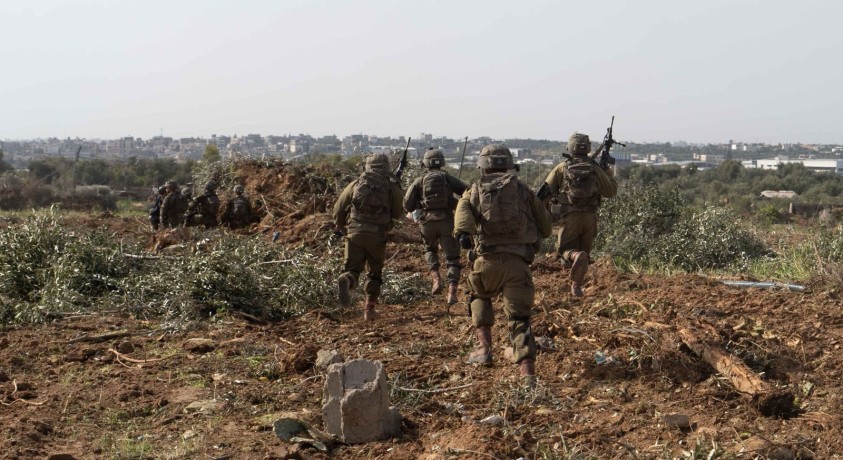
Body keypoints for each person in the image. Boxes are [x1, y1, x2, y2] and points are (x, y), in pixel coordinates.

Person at [454, 144, 552, 383]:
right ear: (510, 165)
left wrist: (465, 234)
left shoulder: (475, 190)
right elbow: (547, 228)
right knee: (519, 318)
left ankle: (483, 349)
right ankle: (527, 373)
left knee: (479, 295)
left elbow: (462, 213)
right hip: (518, 265)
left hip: (487, 262)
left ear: (482, 166)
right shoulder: (523, 190)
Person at [536, 132, 618, 297]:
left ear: (569, 148)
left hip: (570, 217)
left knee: (566, 252)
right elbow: (610, 192)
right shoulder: (594, 168)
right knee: (584, 255)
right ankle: (576, 287)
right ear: (587, 149)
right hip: (590, 218)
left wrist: (541, 218)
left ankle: (575, 263)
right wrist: (609, 175)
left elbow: (543, 194)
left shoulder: (562, 167)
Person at [333, 153, 403, 321]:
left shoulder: (356, 183)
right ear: (386, 166)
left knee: (352, 269)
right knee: (374, 273)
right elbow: (398, 212)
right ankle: (369, 310)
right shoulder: (390, 185)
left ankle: (347, 279)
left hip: (354, 232)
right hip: (377, 235)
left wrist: (342, 227)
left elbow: (338, 209)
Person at [403, 148, 468, 305]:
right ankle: (452, 291)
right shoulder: (448, 178)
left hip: (427, 223)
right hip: (447, 222)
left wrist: (421, 203)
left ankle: (436, 278)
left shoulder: (419, 181)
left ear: (425, 164)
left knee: (429, 250)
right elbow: (467, 191)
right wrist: (455, 203)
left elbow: (407, 205)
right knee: (453, 258)